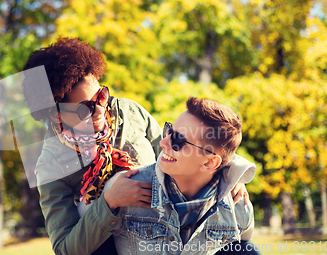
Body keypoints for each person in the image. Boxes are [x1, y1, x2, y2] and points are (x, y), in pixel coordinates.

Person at [22, 37, 253, 255]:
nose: (101, 111)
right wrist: (109, 202)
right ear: (56, 114)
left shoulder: (130, 113)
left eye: (101, 96)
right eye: (85, 109)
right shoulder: (50, 164)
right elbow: (65, 248)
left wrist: (227, 173)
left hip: (168, 233)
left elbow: (181, 151)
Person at [111, 97, 261, 255]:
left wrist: (235, 176)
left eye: (177, 140)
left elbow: (245, 244)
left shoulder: (237, 205)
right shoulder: (125, 189)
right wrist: (109, 202)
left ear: (210, 163)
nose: (163, 142)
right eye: (169, 130)